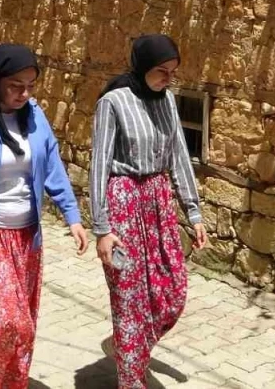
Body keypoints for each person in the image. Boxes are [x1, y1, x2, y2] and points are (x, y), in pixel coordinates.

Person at [0, 43, 89, 389]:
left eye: (31, 86)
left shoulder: (34, 115)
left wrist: (72, 215)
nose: (24, 94)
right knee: (5, 324)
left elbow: (51, 164)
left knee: (24, 328)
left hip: (26, 240)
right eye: (16, 86)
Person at [90, 34, 208, 389]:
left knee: (172, 290)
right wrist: (102, 228)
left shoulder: (167, 100)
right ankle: (130, 374)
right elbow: (99, 165)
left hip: (159, 204)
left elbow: (179, 156)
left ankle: (126, 345)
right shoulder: (113, 103)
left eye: (173, 72)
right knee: (130, 298)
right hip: (123, 204)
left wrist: (193, 213)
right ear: (142, 67)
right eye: (161, 71)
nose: (168, 79)